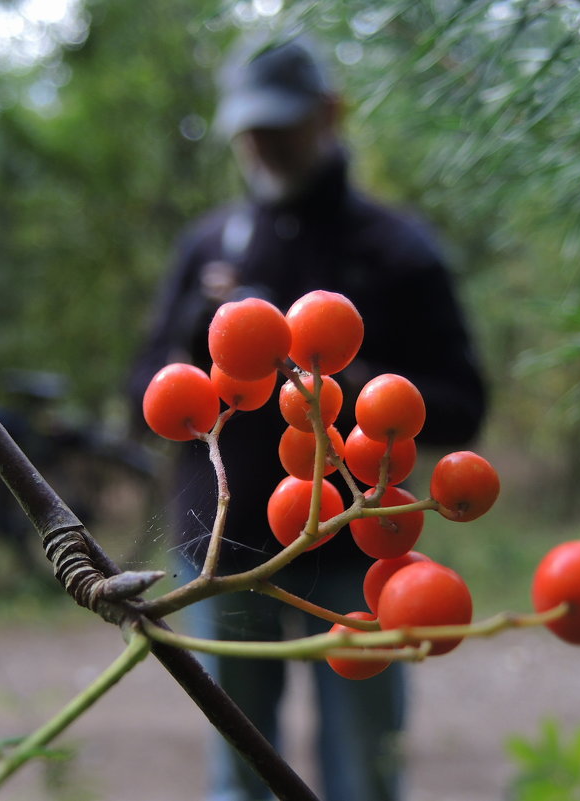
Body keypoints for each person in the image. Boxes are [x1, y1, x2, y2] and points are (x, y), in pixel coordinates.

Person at [129, 33, 487, 801]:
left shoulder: (397, 250)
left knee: (364, 769)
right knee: (241, 774)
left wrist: (356, 389)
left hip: (360, 547)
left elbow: (464, 406)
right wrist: (202, 329)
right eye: (249, 127)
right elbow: (143, 395)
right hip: (225, 554)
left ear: (330, 113)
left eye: (281, 123)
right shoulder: (208, 247)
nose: (262, 142)